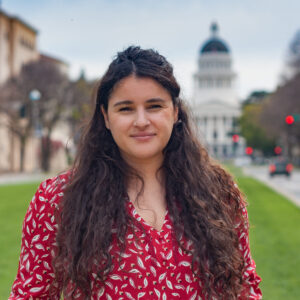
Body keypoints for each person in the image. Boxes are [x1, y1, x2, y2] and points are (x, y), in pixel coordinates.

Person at [9, 46, 262, 300]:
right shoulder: (58, 198)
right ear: (106, 117)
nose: (141, 121)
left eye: (154, 106)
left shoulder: (218, 193)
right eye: (126, 108)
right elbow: (31, 294)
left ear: (175, 112)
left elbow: (245, 289)